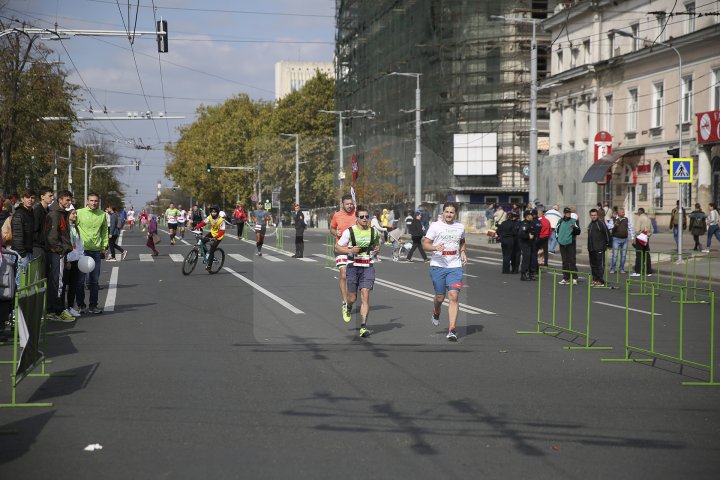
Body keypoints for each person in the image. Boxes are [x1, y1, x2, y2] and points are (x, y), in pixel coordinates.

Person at [422, 202, 467, 341]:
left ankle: (452, 330)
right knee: (440, 298)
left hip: (455, 265)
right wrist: (435, 247)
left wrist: (463, 251)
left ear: (456, 214)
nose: (449, 214)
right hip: (438, 265)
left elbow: (462, 240)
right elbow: (425, 244)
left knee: (453, 296)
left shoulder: (460, 227)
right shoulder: (435, 226)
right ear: (443, 213)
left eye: (451, 212)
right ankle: (436, 311)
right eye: (446, 212)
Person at [335, 205, 380, 337]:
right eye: (362, 217)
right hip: (353, 267)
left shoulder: (373, 231)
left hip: (368, 266)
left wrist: (376, 250)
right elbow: (337, 247)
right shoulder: (349, 232)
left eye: (367, 216)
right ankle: (348, 306)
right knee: (353, 297)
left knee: (365, 294)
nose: (365, 219)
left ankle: (363, 327)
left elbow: (377, 245)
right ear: (357, 218)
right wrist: (349, 250)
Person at [44, 191, 75, 321]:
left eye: (70, 200)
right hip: (57, 253)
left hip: (60, 252)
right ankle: (55, 311)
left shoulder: (61, 213)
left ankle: (55, 309)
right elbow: (51, 236)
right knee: (57, 282)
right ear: (60, 200)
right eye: (67, 200)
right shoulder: (55, 214)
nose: (69, 203)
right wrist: (60, 250)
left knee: (58, 281)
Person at [76, 193, 108, 314]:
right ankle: (81, 305)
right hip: (82, 251)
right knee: (80, 280)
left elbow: (104, 230)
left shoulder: (102, 214)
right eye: (91, 200)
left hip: (96, 250)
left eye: (96, 201)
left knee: (94, 280)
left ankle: (93, 305)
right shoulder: (79, 212)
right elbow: (74, 228)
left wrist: (104, 246)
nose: (94, 203)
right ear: (87, 201)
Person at [330, 194, 358, 322]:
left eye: (351, 203)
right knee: (343, 275)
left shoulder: (357, 214)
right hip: (341, 248)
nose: (350, 206)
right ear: (343, 204)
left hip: (355, 250)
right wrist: (336, 232)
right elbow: (332, 228)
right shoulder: (337, 215)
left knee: (353, 277)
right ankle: (345, 302)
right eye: (347, 204)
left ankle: (350, 298)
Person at [10, 190, 36, 287]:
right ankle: (18, 302)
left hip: (28, 251)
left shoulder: (30, 213)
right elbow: (17, 235)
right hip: (21, 253)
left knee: (25, 281)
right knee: (20, 281)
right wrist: (22, 253)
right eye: (27, 197)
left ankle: (22, 301)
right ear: (22, 199)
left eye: (32, 197)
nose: (30, 200)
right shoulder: (19, 214)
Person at [64, 206, 83, 318]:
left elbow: (79, 244)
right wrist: (67, 259)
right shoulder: (65, 228)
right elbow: (66, 246)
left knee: (73, 285)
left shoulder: (75, 228)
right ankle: (63, 308)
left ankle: (71, 307)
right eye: (73, 213)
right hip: (67, 260)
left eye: (75, 213)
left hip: (76, 260)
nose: (75, 215)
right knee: (64, 285)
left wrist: (81, 256)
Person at [193, 205, 225, 271]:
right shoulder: (210, 217)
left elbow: (222, 231)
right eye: (212, 212)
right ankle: (206, 255)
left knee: (212, 249)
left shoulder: (221, 220)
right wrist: (196, 227)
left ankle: (209, 266)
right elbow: (203, 223)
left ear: (217, 212)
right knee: (202, 241)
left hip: (218, 236)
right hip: (212, 233)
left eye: (215, 212)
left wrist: (215, 238)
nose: (213, 213)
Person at [556, 207, 581, 285]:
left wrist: (574, 228)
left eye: (569, 213)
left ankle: (574, 278)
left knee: (572, 261)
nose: (568, 214)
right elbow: (556, 231)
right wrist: (558, 239)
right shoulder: (560, 221)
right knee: (565, 261)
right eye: (567, 213)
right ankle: (565, 278)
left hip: (570, 243)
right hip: (562, 243)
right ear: (564, 213)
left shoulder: (574, 221)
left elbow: (578, 232)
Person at [32, 186, 53, 274]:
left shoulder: (48, 210)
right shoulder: (37, 210)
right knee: (40, 273)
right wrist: (42, 241)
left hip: (45, 247)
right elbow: (35, 229)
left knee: (46, 273)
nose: (52, 198)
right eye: (50, 196)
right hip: (38, 246)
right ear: (42, 197)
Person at [587, 208, 610, 286]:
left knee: (600, 265)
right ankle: (595, 279)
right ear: (590, 216)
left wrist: (607, 244)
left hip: (599, 248)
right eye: (592, 215)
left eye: (595, 215)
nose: (593, 217)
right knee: (593, 265)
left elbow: (607, 233)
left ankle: (600, 281)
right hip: (591, 248)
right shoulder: (590, 224)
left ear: (597, 215)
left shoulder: (600, 223)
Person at [608, 207, 633, 274]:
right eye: (622, 212)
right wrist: (615, 226)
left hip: (624, 240)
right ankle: (613, 268)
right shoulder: (613, 219)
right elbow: (609, 229)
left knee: (624, 255)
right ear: (618, 213)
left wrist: (632, 238)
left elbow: (631, 228)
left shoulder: (626, 219)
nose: (624, 213)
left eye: (624, 212)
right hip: (616, 239)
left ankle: (621, 269)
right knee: (615, 255)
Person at [631, 207, 653, 277]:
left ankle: (638, 271)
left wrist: (639, 234)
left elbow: (637, 230)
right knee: (646, 254)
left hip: (640, 238)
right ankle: (649, 271)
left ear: (639, 212)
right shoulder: (648, 219)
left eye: (638, 212)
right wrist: (648, 235)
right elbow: (652, 230)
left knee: (639, 255)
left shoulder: (639, 219)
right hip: (646, 237)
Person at [518, 210, 537, 281]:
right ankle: (524, 274)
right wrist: (528, 236)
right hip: (525, 243)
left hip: (531, 243)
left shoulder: (532, 223)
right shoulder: (524, 224)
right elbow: (521, 234)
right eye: (531, 215)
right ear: (527, 216)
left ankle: (531, 273)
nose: (532, 216)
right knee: (526, 258)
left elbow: (534, 232)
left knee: (532, 258)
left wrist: (534, 236)